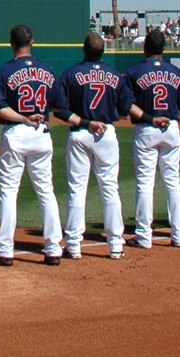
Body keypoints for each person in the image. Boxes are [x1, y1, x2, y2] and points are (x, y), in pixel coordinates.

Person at [0, 23, 65, 266]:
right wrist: (37, 112)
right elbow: (59, 104)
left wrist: (22, 116)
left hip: (17, 133)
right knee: (46, 192)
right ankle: (53, 249)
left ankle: (5, 250)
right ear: (33, 42)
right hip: (41, 133)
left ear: (11, 43)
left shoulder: (5, 71)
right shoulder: (48, 70)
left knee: (9, 193)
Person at [55, 32, 130, 258]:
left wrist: (86, 121)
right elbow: (126, 108)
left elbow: (60, 110)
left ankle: (74, 245)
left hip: (80, 132)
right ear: (103, 52)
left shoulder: (71, 74)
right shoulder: (116, 76)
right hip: (106, 133)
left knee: (77, 189)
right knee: (110, 188)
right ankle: (116, 244)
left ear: (84, 50)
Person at [123, 28, 180, 248]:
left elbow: (127, 105)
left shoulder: (134, 72)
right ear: (164, 48)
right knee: (173, 182)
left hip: (147, 127)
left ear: (145, 47)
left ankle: (144, 235)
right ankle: (179, 235)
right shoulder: (176, 72)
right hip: (170, 127)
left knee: (145, 182)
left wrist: (149, 117)